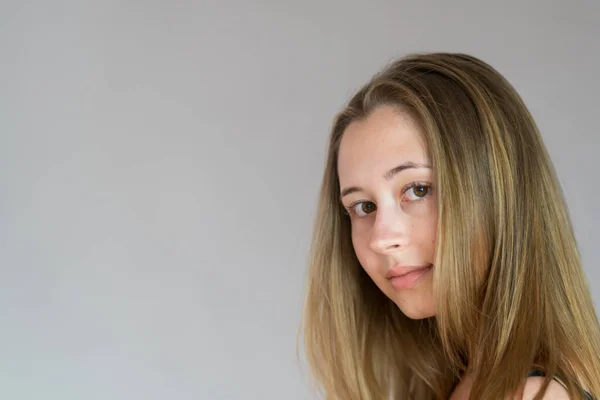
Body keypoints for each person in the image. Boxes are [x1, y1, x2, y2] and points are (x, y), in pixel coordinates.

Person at [298, 52, 600, 399]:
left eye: (418, 190)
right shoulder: (463, 381)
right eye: (363, 206)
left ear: (498, 192)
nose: (381, 238)